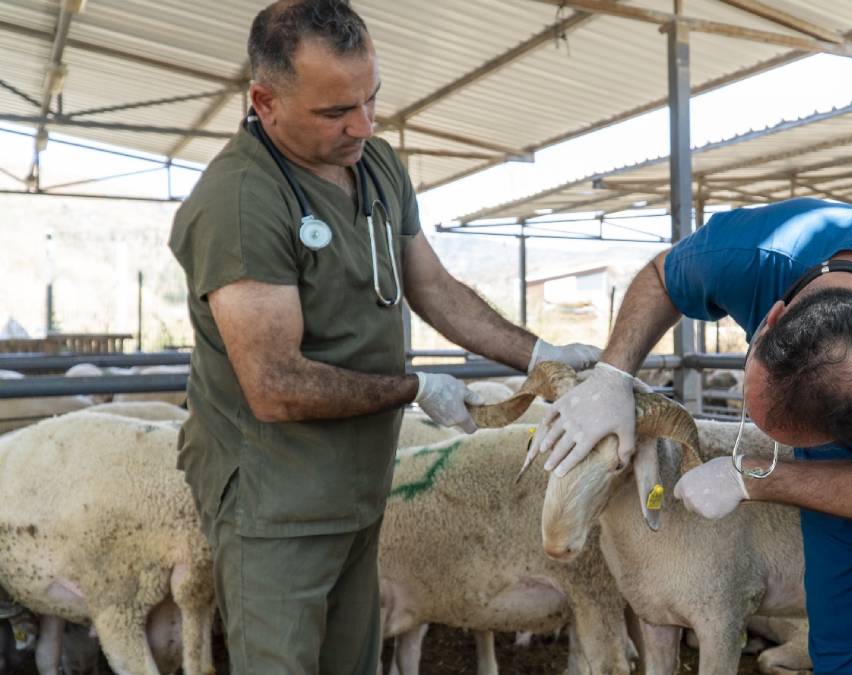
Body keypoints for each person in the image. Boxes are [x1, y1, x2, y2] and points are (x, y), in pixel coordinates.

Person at [168, 2, 598, 672]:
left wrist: (537, 353)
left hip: (359, 489)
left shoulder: (377, 164)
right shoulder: (242, 201)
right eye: (336, 110)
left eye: (371, 99)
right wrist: (415, 386)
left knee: (354, 661)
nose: (362, 125)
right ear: (265, 100)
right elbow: (274, 384)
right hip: (275, 503)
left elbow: (432, 285)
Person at [530, 198, 852, 673]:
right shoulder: (754, 255)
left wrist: (753, 478)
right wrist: (613, 375)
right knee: (840, 631)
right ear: (771, 319)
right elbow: (662, 278)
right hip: (840, 428)